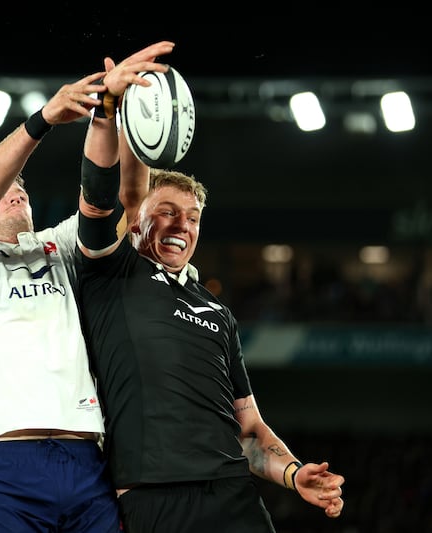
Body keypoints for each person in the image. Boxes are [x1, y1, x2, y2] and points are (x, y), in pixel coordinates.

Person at [75, 75, 346, 531]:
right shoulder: (111, 274)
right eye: (167, 212)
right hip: (153, 496)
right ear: (137, 219)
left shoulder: (218, 313)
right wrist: (109, 112)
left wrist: (293, 472)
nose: (182, 225)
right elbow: (98, 200)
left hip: (234, 494)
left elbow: (249, 429)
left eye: (193, 217)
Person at [0, 42, 175, 533]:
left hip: (86, 460)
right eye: (4, 188)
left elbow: (123, 200)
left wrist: (115, 111)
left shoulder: (59, 247)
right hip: (4, 463)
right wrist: (42, 120)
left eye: (21, 187)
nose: (14, 191)